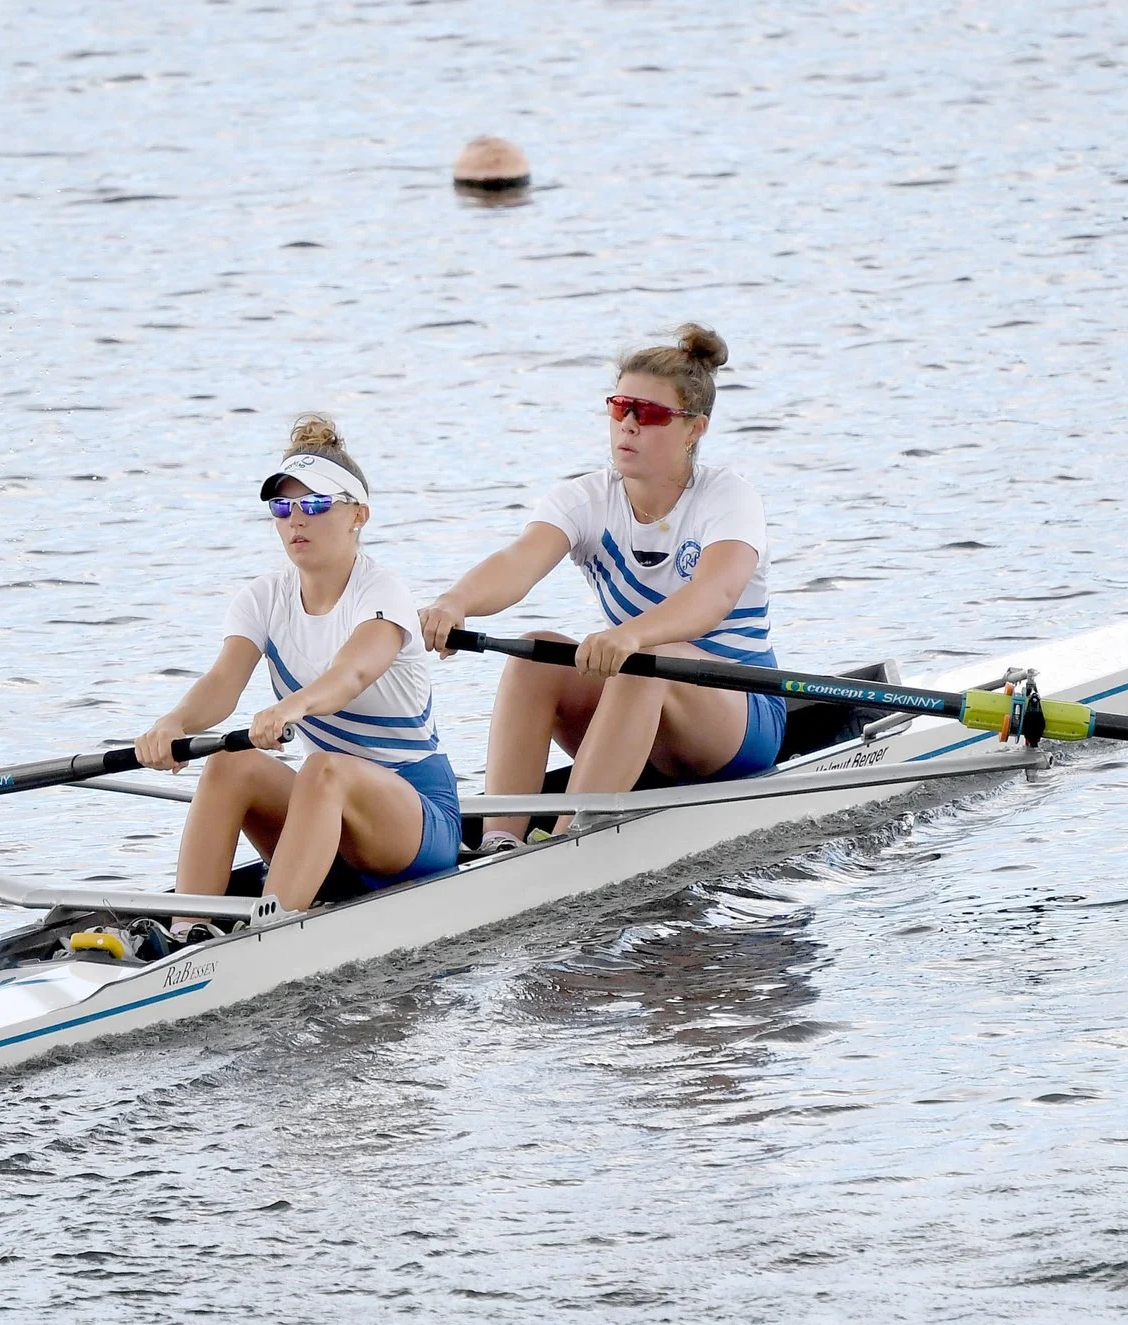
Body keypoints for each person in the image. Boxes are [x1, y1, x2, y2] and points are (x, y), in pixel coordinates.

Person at [417, 324, 780, 849]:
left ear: (694, 429)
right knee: (535, 656)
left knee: (645, 658)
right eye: (620, 408)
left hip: (739, 718)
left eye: (649, 414)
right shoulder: (586, 499)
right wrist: (456, 601)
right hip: (641, 703)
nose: (628, 424)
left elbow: (713, 597)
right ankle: (500, 842)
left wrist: (632, 635)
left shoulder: (727, 497)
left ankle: (566, 845)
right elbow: (518, 563)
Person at [134, 414, 462, 932]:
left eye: (314, 505)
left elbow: (353, 673)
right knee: (228, 764)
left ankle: (267, 936)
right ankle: (187, 934)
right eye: (283, 507)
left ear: (358, 515)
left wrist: (293, 706)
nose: (296, 520)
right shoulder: (263, 598)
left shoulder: (382, 593)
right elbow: (221, 684)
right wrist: (173, 724)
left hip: (416, 820)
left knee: (324, 768)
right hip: (324, 816)